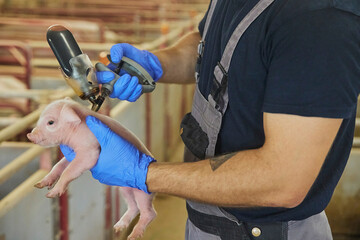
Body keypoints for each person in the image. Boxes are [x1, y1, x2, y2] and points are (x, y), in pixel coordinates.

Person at [61, 0, 360, 239]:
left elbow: (283, 181)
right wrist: (155, 63)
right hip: (209, 222)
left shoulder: (321, 21)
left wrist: (144, 173)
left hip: (267, 232)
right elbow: (211, 43)